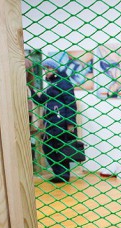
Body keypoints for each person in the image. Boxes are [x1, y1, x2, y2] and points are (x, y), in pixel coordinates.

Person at [30, 54, 80, 183]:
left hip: (60, 122)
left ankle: (62, 175)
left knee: (58, 147)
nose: (45, 72)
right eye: (45, 69)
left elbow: (70, 102)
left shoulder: (63, 82)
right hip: (51, 123)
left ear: (55, 69)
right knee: (51, 147)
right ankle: (61, 174)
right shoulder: (52, 85)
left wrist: (70, 124)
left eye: (47, 69)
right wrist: (30, 89)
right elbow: (41, 100)